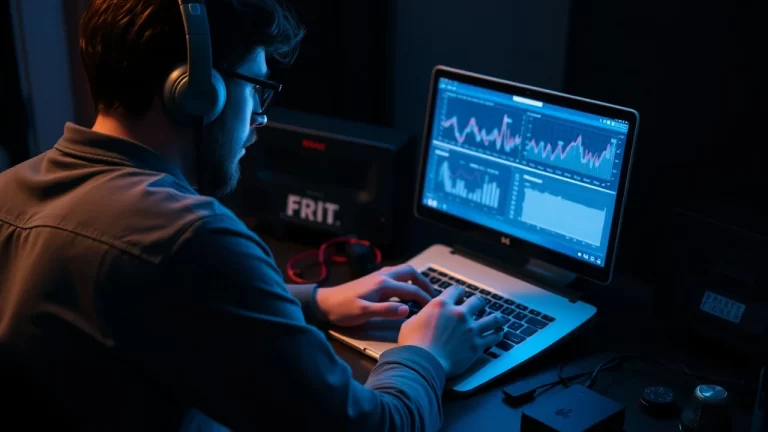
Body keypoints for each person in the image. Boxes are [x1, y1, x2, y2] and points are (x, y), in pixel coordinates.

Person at [0, 0, 505, 430]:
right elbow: (378, 426)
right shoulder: (189, 238)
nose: (261, 115)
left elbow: (146, 297)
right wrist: (428, 353)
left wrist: (317, 301)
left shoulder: (12, 190)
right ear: (197, 91)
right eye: (257, 87)